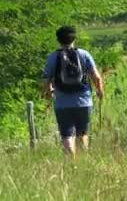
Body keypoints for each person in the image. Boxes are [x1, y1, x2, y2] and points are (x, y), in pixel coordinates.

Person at [42, 26, 104, 157]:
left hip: (62, 103)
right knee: (82, 133)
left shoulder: (53, 57)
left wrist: (48, 93)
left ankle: (71, 161)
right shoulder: (84, 54)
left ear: (58, 40)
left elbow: (46, 81)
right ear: (74, 38)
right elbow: (97, 77)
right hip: (84, 102)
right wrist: (99, 91)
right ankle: (83, 162)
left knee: (67, 135)